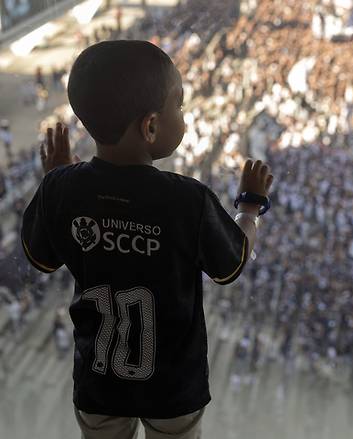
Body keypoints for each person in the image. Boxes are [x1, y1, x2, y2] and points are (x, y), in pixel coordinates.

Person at [21, 40, 274, 439]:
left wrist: (55, 178)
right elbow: (232, 264)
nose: (185, 115)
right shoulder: (188, 200)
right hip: (173, 390)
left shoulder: (62, 189)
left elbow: (41, 259)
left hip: (98, 382)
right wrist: (249, 206)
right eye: (180, 105)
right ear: (151, 126)